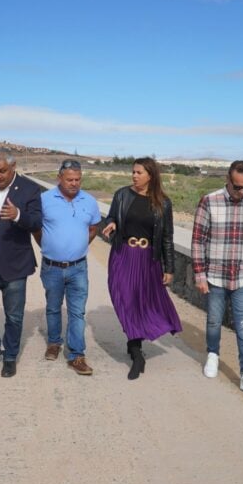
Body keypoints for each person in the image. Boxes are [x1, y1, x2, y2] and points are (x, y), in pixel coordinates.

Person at [191, 160, 243, 394]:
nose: (242, 192)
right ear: (228, 179)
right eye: (237, 186)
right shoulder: (209, 201)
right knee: (214, 320)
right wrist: (199, 274)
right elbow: (198, 241)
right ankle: (213, 355)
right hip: (215, 275)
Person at [102, 157, 181, 380]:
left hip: (148, 259)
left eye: (139, 172)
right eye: (133, 172)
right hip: (123, 254)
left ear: (150, 175)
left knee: (141, 302)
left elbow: (167, 237)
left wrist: (169, 268)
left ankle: (134, 347)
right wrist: (113, 223)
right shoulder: (122, 195)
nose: (134, 175)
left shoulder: (163, 203)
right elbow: (111, 216)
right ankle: (137, 351)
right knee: (125, 298)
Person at [0, 148, 42, 378]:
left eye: (2, 171)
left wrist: (18, 215)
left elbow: (37, 220)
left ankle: (10, 356)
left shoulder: (29, 189)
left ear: (13, 167)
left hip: (14, 264)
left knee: (14, 315)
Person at [33, 159, 102, 375]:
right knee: (53, 307)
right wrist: (49, 247)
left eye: (78, 180)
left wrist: (78, 248)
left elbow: (93, 229)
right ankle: (54, 342)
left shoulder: (90, 201)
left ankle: (77, 355)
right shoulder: (44, 200)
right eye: (70, 179)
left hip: (78, 268)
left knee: (77, 312)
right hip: (51, 267)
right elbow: (36, 230)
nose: (74, 183)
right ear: (59, 178)